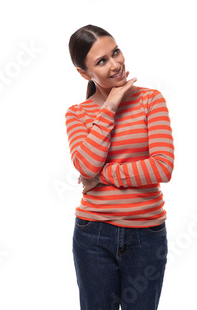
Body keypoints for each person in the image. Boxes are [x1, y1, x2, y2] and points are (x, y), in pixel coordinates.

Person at [65, 24, 175, 310]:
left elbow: (162, 168)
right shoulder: (77, 114)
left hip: (146, 235)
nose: (116, 65)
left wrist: (101, 177)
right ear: (83, 73)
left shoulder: (151, 101)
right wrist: (110, 106)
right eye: (101, 61)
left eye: (115, 52)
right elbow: (86, 165)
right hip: (93, 236)